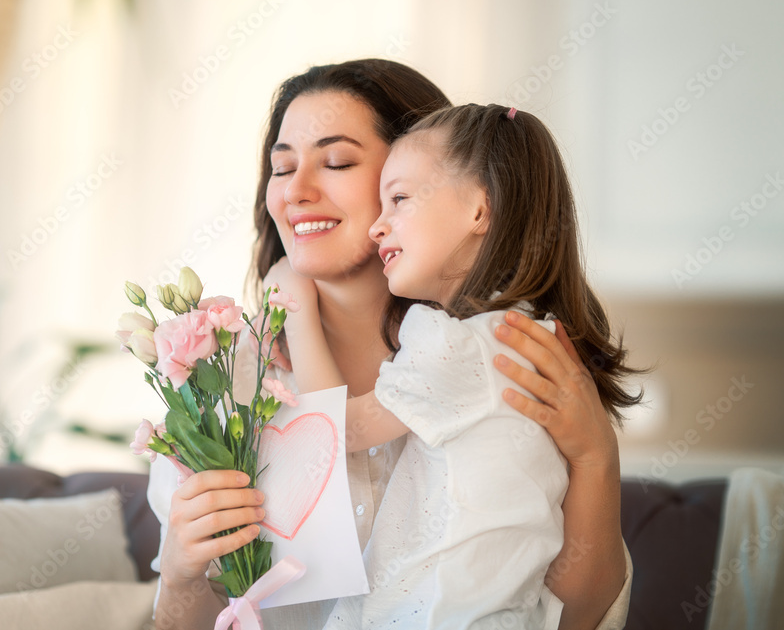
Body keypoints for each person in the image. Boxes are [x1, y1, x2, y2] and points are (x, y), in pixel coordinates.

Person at [148, 60, 634, 630]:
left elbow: (575, 615)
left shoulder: (511, 352)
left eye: (337, 162)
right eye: (282, 169)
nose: (297, 192)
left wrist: (597, 458)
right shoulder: (219, 393)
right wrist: (181, 570)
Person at [274, 102, 641, 628]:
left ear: (479, 211)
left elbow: (338, 432)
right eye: (282, 168)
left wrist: (294, 311)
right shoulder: (530, 336)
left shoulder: (456, 341)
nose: (381, 226)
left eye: (399, 198)